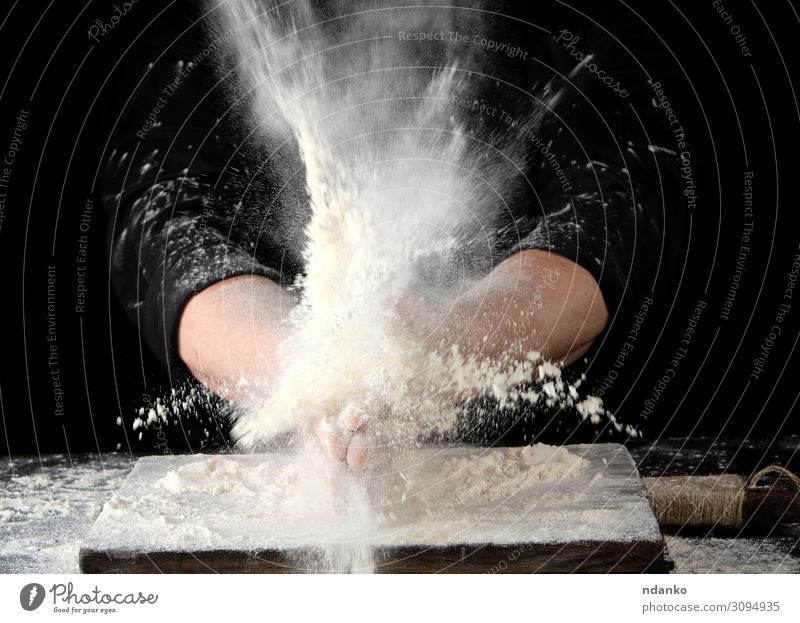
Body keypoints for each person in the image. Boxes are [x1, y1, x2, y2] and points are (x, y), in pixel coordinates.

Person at [100, 1, 684, 469]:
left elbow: (619, 196)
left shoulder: (563, 18)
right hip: (265, 474)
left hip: (545, 460)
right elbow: (161, 213)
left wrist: (435, 349)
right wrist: (309, 373)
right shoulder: (205, 20)